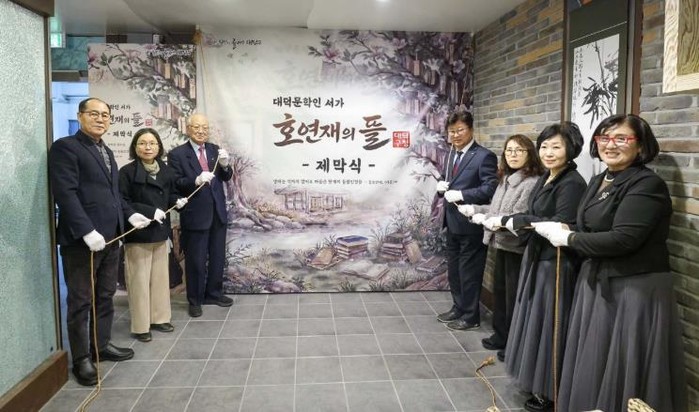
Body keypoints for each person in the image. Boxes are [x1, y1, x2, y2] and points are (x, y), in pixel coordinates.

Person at [534, 114, 688, 412]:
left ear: (640, 145)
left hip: (633, 288)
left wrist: (570, 239)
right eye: (604, 137)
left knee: (623, 366)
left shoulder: (647, 184)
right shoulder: (600, 178)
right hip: (599, 279)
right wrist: (568, 229)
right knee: (595, 360)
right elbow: (591, 226)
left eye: (622, 138)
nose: (610, 144)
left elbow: (623, 239)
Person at [48, 98, 151, 386]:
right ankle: (81, 358)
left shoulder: (106, 150)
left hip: (111, 237)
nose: (100, 119)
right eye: (94, 114)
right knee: (81, 300)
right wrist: (86, 231)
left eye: (105, 115)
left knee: (105, 294)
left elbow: (113, 195)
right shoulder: (66, 147)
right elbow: (65, 193)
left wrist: (129, 215)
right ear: (80, 116)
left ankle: (100, 345)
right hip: (83, 241)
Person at [501, 122, 586, 412]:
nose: (548, 152)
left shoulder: (572, 182)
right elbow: (534, 212)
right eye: (544, 146)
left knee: (550, 323)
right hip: (537, 255)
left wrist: (519, 221)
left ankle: (550, 390)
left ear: (571, 149)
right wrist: (514, 219)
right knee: (534, 319)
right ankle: (535, 380)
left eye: (556, 147)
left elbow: (562, 221)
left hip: (557, 262)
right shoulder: (548, 176)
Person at [460, 134, 544, 362]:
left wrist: (491, 220)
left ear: (529, 154)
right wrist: (476, 209)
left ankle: (513, 343)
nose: (513, 155)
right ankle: (500, 335)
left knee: (514, 297)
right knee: (501, 292)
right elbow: (495, 209)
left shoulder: (531, 182)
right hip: (501, 244)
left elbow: (519, 215)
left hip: (516, 246)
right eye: (509, 150)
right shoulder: (505, 178)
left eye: (519, 150)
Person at [119, 128, 189, 342]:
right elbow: (122, 201)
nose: (147, 147)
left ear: (159, 146)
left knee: (160, 279)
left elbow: (171, 194)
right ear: (135, 147)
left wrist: (177, 201)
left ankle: (160, 318)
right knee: (139, 281)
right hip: (138, 233)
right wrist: (149, 211)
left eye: (152, 143)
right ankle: (141, 326)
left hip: (160, 232)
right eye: (142, 143)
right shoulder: (127, 172)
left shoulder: (165, 170)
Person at [435, 111, 498, 331]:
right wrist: (441, 187)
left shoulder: (484, 156)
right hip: (452, 222)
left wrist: (462, 194)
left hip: (471, 224)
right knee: (454, 270)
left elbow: (490, 188)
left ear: (471, 129)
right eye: (451, 131)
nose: (455, 135)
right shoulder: (451, 154)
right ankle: (458, 307)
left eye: (460, 130)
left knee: (469, 272)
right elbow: (447, 181)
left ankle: (471, 316)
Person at [168, 113, 234, 317]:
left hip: (217, 212)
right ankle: (195, 300)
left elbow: (225, 177)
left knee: (217, 256)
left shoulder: (214, 149)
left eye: (205, 128)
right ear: (188, 129)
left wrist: (225, 165)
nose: (201, 131)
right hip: (195, 214)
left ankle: (213, 293)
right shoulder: (177, 154)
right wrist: (195, 180)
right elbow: (175, 182)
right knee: (195, 260)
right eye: (197, 127)